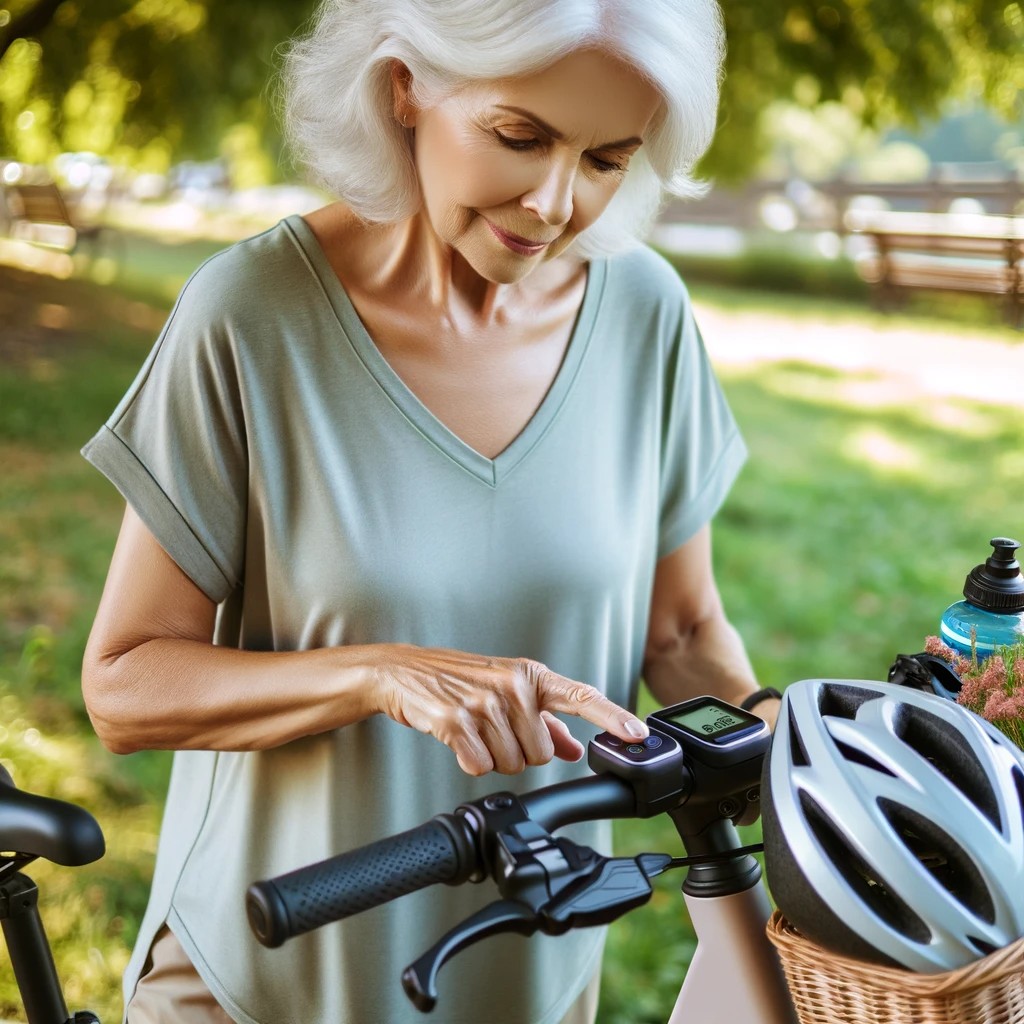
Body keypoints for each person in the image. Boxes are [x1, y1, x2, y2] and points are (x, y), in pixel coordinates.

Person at [80, 1, 779, 1021]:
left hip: (526, 973)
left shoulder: (645, 314)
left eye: (606, 158)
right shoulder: (251, 314)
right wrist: (380, 672)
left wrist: (800, 757)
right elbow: (123, 686)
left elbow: (678, 628)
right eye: (520, 137)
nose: (553, 203)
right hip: (266, 974)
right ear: (405, 83)